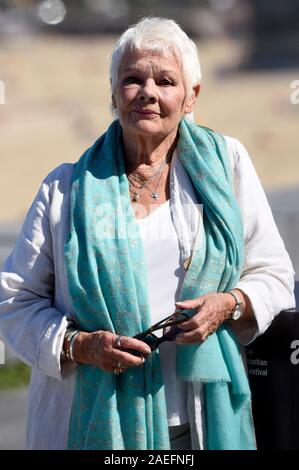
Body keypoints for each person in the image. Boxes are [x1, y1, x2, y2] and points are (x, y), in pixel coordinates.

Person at [0, 17, 295, 451]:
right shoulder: (64, 189)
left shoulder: (227, 166)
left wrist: (228, 305)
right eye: (133, 79)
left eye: (166, 81)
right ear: (114, 94)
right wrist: (80, 346)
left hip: (199, 425)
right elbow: (14, 302)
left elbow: (274, 274)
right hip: (92, 425)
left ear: (192, 97)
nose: (148, 92)